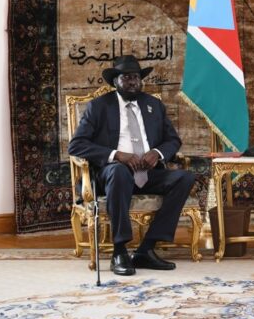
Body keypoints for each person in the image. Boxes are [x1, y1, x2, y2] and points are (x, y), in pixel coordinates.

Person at [69, 55, 196, 276]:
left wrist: (156, 153)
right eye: (126, 78)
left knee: (185, 177)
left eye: (136, 77)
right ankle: (119, 251)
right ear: (115, 81)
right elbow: (76, 145)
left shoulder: (153, 105)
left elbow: (172, 140)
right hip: (112, 174)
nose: (133, 82)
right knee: (119, 172)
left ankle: (146, 249)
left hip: (147, 172)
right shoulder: (99, 106)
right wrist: (117, 155)